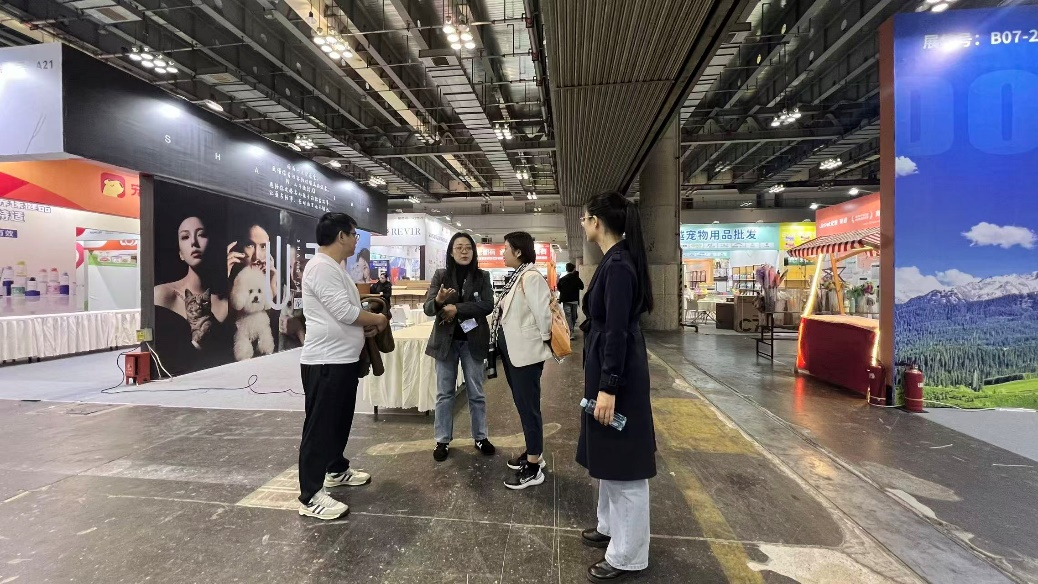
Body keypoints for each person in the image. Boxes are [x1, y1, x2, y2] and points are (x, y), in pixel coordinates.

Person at [577, 192, 657, 582]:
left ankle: (628, 554)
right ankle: (609, 527)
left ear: (597, 221)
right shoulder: (614, 260)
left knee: (625, 465)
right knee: (610, 454)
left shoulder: (619, 266)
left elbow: (618, 332)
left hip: (618, 376)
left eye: (584, 218)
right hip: (611, 370)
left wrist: (609, 387)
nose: (582, 224)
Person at [297, 212, 389, 520]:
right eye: (354, 235)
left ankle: (335, 469)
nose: (355, 241)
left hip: (342, 360)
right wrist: (378, 319)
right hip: (326, 361)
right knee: (319, 427)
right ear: (341, 236)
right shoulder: (320, 267)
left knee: (338, 422)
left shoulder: (334, 268)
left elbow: (348, 311)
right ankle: (310, 496)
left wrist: (366, 325)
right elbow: (345, 312)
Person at [423, 233, 496, 462]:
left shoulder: (482, 276)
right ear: (451, 252)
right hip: (446, 342)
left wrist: (457, 308)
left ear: (473, 252)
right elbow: (428, 308)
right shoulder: (441, 275)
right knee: (444, 393)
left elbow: (487, 305)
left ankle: (480, 437)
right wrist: (438, 301)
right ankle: (442, 440)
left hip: (473, 342)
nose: (464, 252)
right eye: (459, 247)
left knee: (476, 393)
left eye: (468, 248)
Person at [491, 231, 553, 490]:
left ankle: (535, 466)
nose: (502, 252)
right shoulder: (518, 276)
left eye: (505, 248)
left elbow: (544, 317)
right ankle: (532, 451)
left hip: (526, 355)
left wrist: (543, 343)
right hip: (514, 354)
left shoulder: (531, 277)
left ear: (518, 251)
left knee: (529, 408)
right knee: (523, 405)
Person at [556, 262, 584, 340]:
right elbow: (582, 287)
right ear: (573, 269)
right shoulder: (576, 278)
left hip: (566, 300)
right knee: (573, 316)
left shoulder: (562, 279)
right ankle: (571, 330)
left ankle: (570, 333)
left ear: (566, 269)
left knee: (568, 316)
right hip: (574, 300)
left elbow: (559, 288)